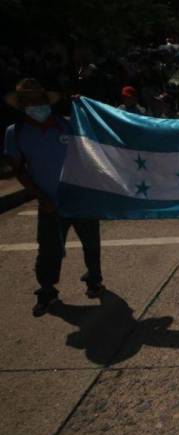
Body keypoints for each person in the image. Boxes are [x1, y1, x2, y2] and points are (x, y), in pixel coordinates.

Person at [2, 78, 104, 316]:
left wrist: (85, 108)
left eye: (38, 100)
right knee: (49, 250)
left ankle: (94, 279)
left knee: (91, 243)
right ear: (22, 105)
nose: (35, 105)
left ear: (47, 101)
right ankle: (47, 291)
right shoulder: (15, 133)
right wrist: (39, 196)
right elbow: (18, 169)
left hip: (80, 198)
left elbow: (93, 144)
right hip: (49, 202)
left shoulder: (68, 125)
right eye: (29, 102)